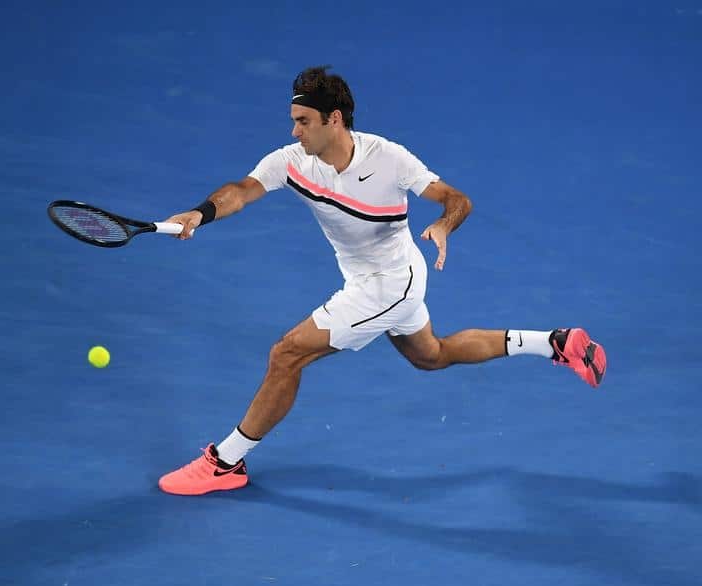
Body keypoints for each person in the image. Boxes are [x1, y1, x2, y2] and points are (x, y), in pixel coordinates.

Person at [157, 66, 606, 496]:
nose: (294, 132)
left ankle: (226, 461)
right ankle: (554, 342)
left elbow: (456, 199)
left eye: (303, 121)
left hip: (389, 285)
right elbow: (240, 190)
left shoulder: (388, 158)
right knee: (432, 356)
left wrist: (444, 224)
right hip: (381, 279)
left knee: (287, 354)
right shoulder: (290, 162)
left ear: (334, 119)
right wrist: (200, 213)